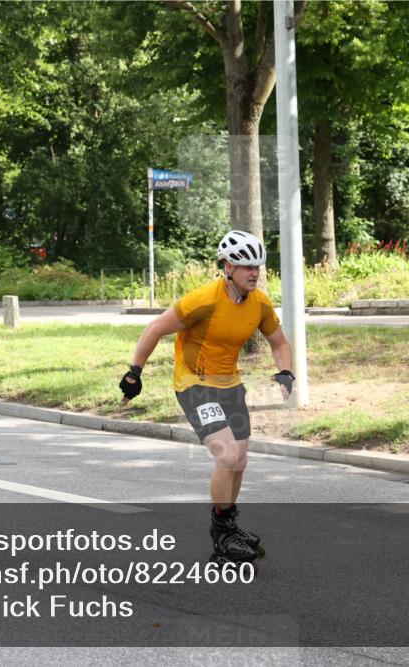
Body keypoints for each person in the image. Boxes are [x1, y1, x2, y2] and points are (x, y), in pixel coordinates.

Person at [120, 230, 295, 565]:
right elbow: (156, 327)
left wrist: (285, 371)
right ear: (227, 267)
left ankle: (229, 524)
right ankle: (222, 535)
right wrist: (134, 373)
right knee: (228, 456)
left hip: (231, 384)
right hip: (195, 384)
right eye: (245, 266)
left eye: (257, 266)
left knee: (239, 460)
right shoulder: (204, 300)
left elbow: (279, 343)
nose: (253, 272)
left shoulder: (259, 303)